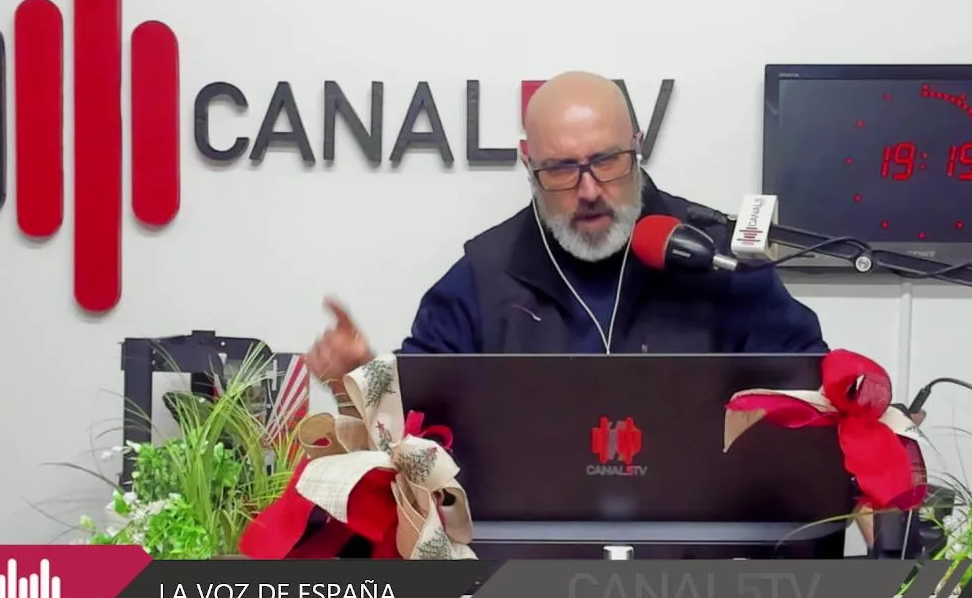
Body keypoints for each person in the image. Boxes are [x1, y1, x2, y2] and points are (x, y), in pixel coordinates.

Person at [304, 70, 827, 383]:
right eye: (560, 169)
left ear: (637, 146)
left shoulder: (714, 258)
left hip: (700, 534)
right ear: (529, 165)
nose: (590, 189)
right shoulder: (484, 275)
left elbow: (811, 390)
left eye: (607, 160)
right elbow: (421, 415)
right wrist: (363, 379)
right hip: (525, 537)